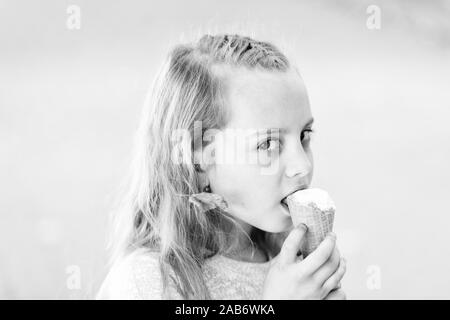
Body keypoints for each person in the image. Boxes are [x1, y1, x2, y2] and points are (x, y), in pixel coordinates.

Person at [96, 34, 346, 300]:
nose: (302, 165)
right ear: (198, 158)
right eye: (268, 144)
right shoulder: (148, 281)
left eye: (304, 135)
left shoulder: (294, 268)